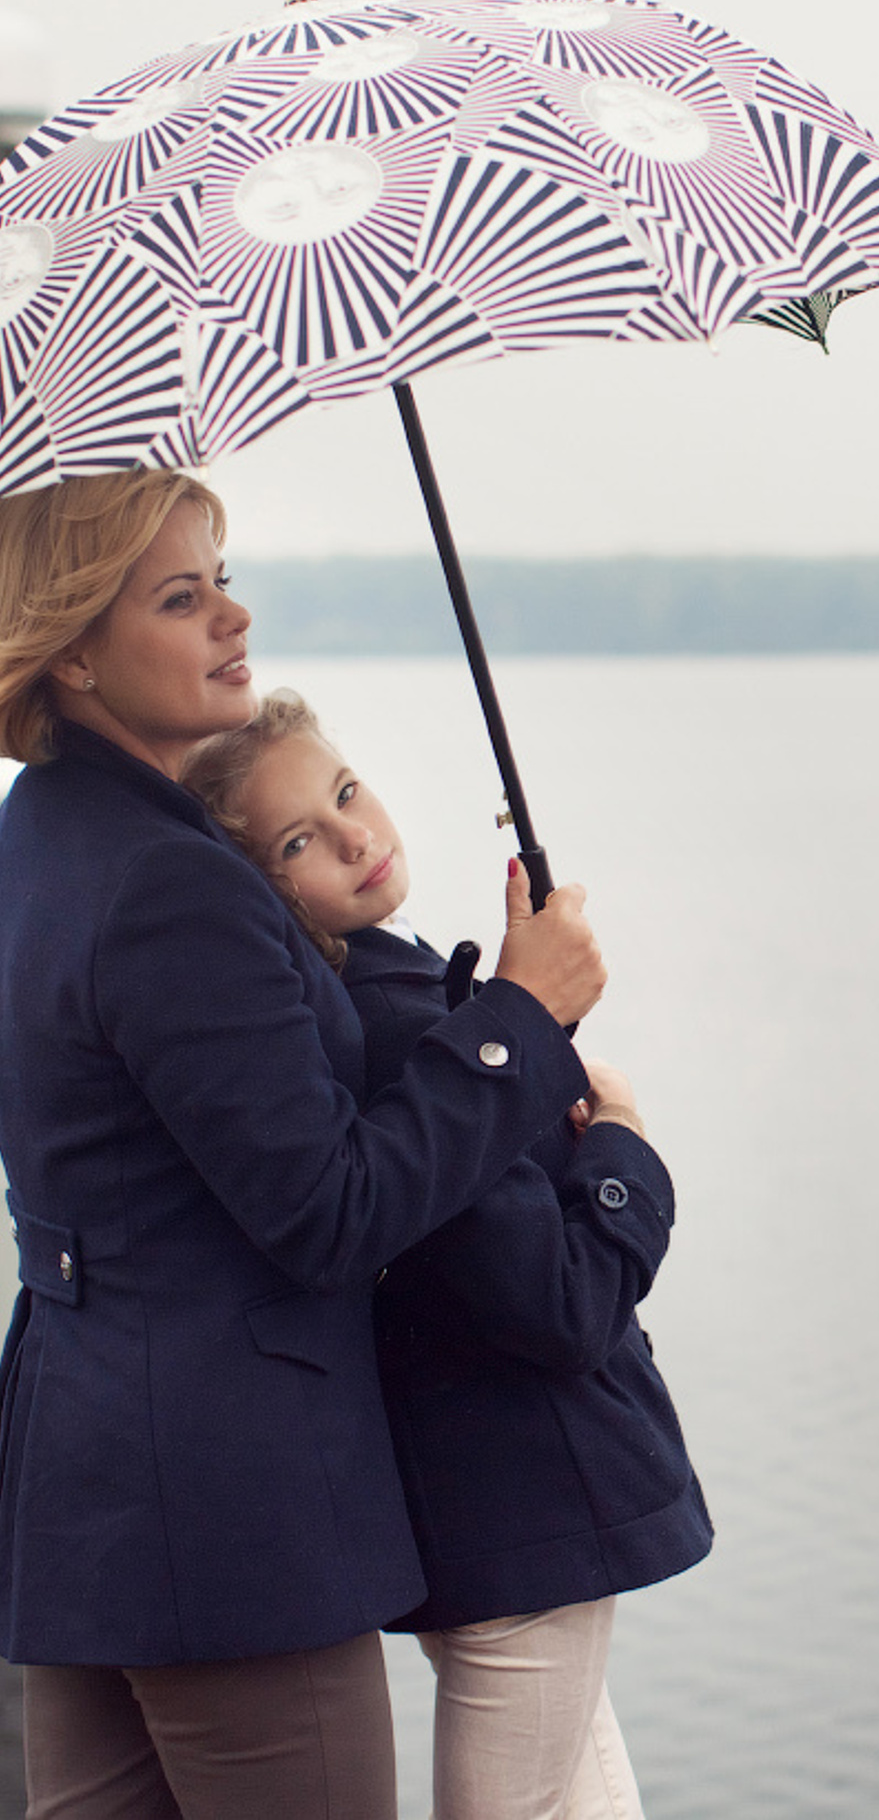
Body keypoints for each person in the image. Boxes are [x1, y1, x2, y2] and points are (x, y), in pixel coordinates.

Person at [0, 469, 606, 1819]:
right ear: (76, 654)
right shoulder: (172, 887)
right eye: (180, 596)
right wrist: (520, 1020)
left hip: (84, 1481)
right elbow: (327, 1209)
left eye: (220, 574)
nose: (233, 613)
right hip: (230, 1520)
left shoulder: (41, 835)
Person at [184, 691, 713, 1820]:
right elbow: (563, 1304)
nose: (355, 836)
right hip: (523, 1501)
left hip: (496, 1515)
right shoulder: (396, 1025)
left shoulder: (395, 994)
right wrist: (621, 1145)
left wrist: (523, 1030)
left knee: (579, 1785)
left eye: (343, 792)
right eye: (298, 842)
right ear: (258, 893)